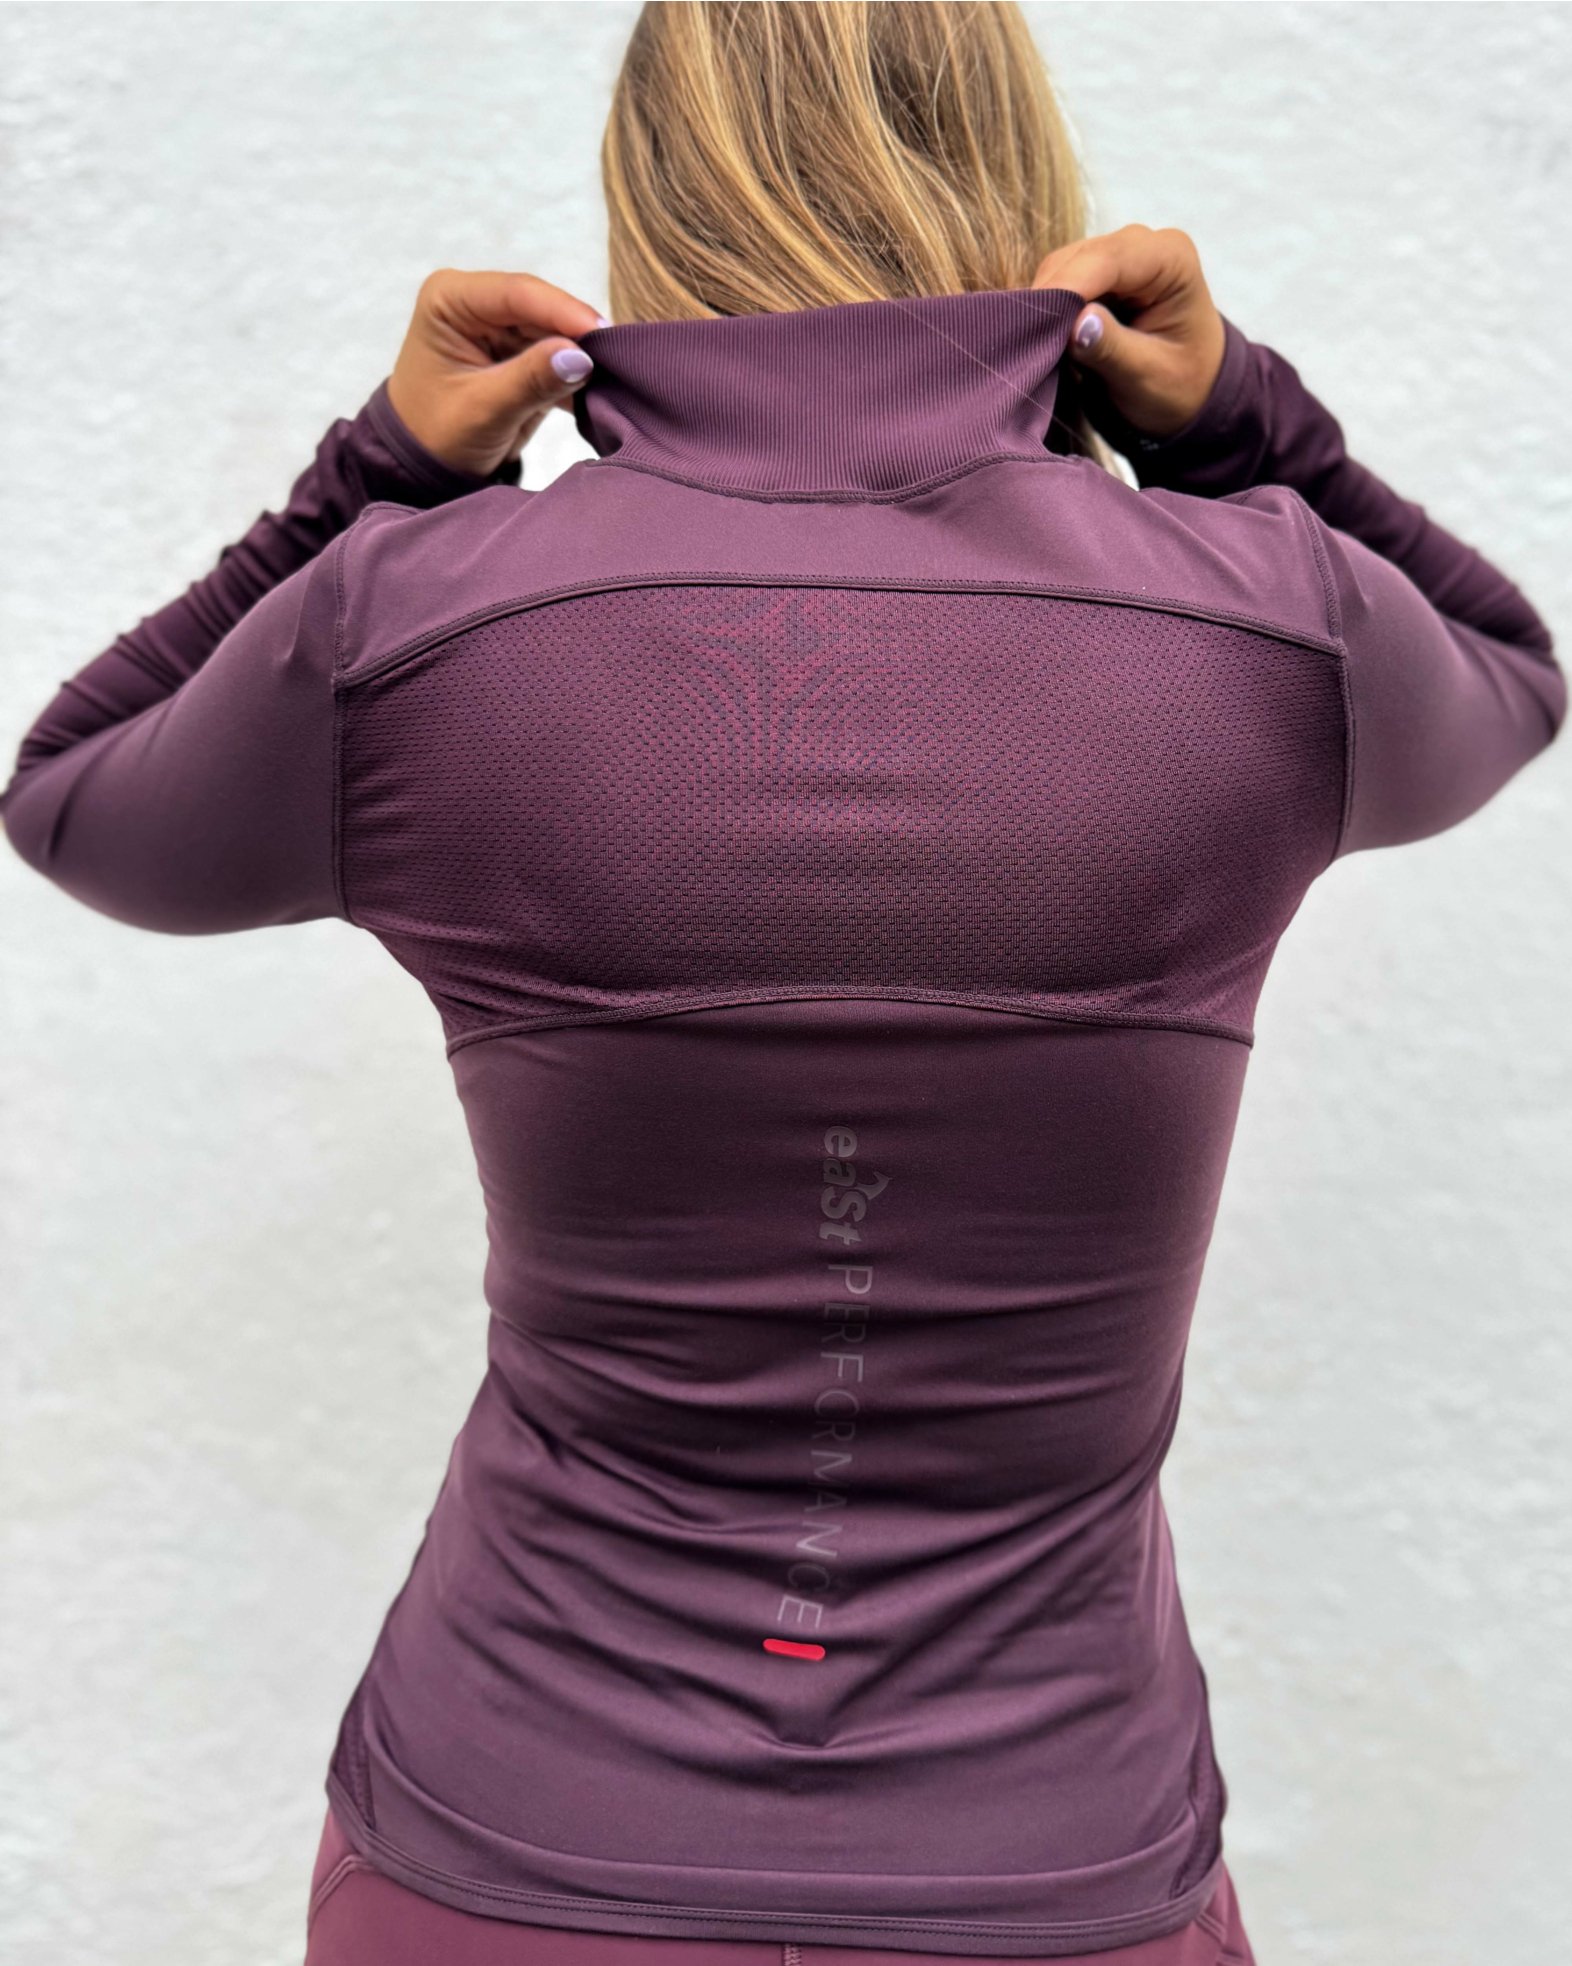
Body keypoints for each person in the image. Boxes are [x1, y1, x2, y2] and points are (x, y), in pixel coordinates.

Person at [3, 4, 1562, 1964]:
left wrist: (377, 469)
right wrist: (1238, 417)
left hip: (509, 1841)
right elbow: (1511, 675)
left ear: (652, 197)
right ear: (1018, 164)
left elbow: (71, 795)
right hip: (1051, 1864)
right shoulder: (1271, 622)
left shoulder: (419, 622)